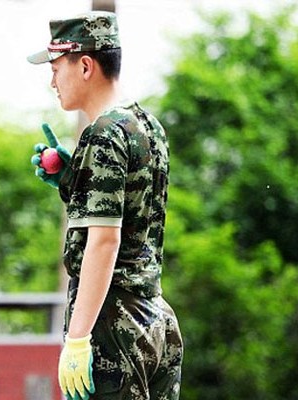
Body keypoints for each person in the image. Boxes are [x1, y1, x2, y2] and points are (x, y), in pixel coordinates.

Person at [27, 11, 183, 400]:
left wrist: (78, 340)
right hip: (155, 321)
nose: (51, 81)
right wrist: (71, 178)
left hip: (113, 327)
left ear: (84, 66)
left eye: (56, 68)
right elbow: (136, 217)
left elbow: (105, 242)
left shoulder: (103, 133)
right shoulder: (146, 124)